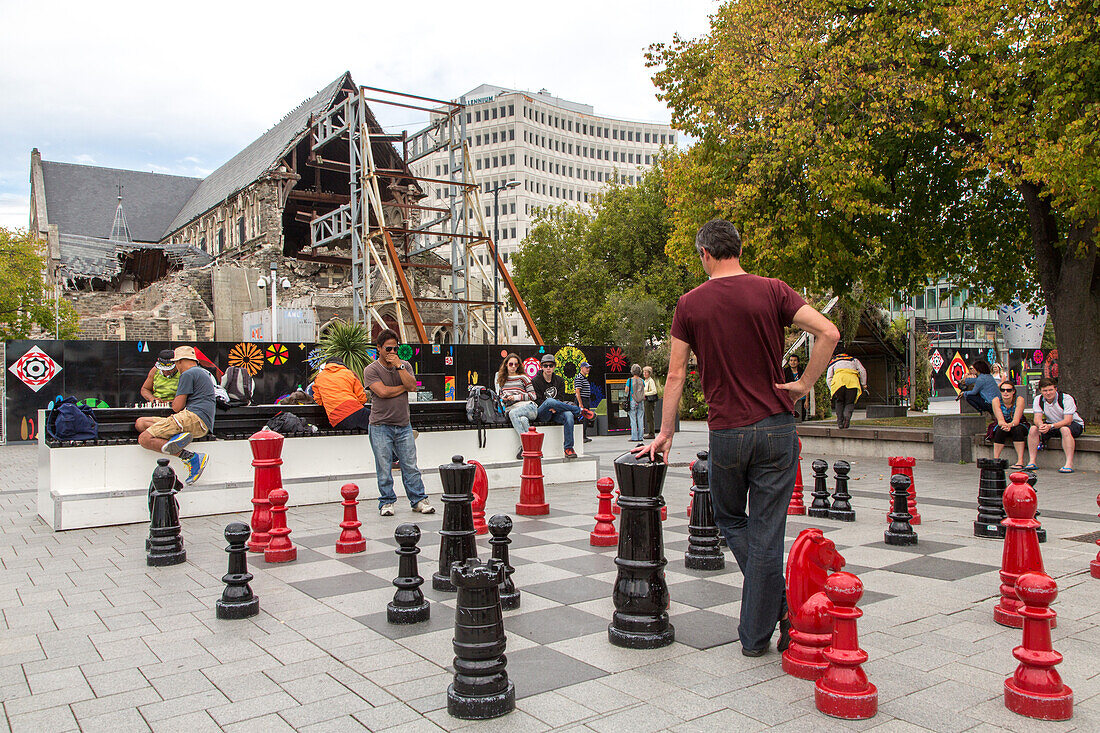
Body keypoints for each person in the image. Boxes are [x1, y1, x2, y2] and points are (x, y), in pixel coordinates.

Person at [636, 219, 839, 657]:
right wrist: (804, 383)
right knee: (768, 532)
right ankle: (775, 616)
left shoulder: (689, 304)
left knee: (731, 520)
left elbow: (674, 375)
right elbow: (829, 332)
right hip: (776, 428)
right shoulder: (774, 289)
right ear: (737, 249)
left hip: (727, 431)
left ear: (705, 254)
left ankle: (759, 631)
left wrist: (665, 433)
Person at [362, 330, 435, 516]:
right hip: (380, 425)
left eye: (395, 348)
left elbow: (412, 386)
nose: (392, 352)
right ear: (379, 348)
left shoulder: (405, 365)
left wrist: (400, 368)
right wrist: (402, 388)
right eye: (388, 348)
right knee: (384, 466)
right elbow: (382, 392)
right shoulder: (371, 370)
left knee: (410, 465)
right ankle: (386, 502)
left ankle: (418, 500)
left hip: (403, 424)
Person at [134, 346, 216, 485]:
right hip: (197, 420)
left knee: (144, 438)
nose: (176, 367)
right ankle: (176, 437)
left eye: (177, 363)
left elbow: (177, 407)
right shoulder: (202, 372)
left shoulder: (188, 374)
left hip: (192, 418)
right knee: (141, 423)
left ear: (180, 361)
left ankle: (191, 457)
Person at [532, 353, 593, 459]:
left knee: (569, 415)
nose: (548, 368)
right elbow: (536, 400)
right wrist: (551, 405)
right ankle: (579, 410)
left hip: (555, 411)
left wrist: (555, 407)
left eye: (551, 365)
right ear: (541, 367)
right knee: (550, 401)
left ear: (554, 367)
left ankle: (568, 448)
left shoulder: (559, 380)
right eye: (545, 366)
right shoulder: (535, 381)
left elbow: (560, 398)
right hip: (543, 413)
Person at [1026, 377, 1085, 473]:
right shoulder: (1038, 399)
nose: (1048, 393)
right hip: (1052, 424)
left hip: (1073, 424)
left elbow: (1068, 420)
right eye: (1045, 391)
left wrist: (1051, 426)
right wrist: (1041, 425)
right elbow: (1037, 418)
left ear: (1055, 389)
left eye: (1050, 390)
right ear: (1040, 391)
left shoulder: (1066, 398)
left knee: (1064, 429)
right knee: (1033, 429)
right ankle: (1032, 461)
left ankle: (1069, 463)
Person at [497, 353, 538, 459]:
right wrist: (505, 399)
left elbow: (533, 396)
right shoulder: (501, 379)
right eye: (511, 364)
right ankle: (532, 447)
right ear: (506, 364)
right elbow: (500, 397)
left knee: (513, 414)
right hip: (512, 409)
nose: (514, 366)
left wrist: (515, 397)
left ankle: (525, 446)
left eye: (516, 364)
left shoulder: (523, 377)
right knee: (523, 420)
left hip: (529, 407)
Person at [313, 356, 370, 430]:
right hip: (354, 410)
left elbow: (319, 400)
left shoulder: (319, 377)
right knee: (383, 421)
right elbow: (362, 398)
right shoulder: (349, 373)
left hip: (336, 420)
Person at [991, 381, 1029, 469]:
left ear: (1013, 391)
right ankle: (996, 459)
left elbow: (1016, 420)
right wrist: (1005, 425)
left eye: (1008, 390)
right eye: (1003, 390)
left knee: (1017, 429)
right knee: (1000, 430)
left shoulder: (1019, 400)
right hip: (1003, 423)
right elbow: (1000, 420)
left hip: (1017, 423)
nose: (1005, 392)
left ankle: (1020, 460)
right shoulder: (996, 400)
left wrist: (1010, 425)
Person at [826, 349, 866, 429]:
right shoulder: (854, 360)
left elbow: (829, 377)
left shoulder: (834, 361)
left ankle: (840, 422)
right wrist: (863, 384)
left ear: (834, 355)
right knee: (850, 402)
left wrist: (832, 389)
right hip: (852, 382)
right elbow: (862, 371)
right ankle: (847, 417)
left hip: (838, 383)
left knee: (839, 401)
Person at [574, 361, 595, 443]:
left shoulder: (584, 378)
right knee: (583, 418)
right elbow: (577, 391)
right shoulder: (579, 377)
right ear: (581, 368)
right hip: (582, 399)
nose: (588, 369)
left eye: (588, 368)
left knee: (586, 418)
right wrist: (580, 403)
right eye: (586, 368)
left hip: (586, 399)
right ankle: (581, 436)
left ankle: (584, 435)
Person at [783, 354, 808, 421]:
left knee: (801, 417)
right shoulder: (785, 372)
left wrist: (807, 400)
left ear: (798, 362)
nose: (793, 362)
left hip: (801, 397)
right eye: (791, 360)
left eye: (795, 360)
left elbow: (806, 386)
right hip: (789, 397)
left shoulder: (802, 372)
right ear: (788, 362)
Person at [627, 364, 645, 442]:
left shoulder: (630, 380)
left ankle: (634, 437)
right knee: (640, 419)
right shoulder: (642, 380)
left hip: (632, 400)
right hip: (640, 401)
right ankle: (641, 436)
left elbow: (626, 390)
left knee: (633, 419)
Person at [642, 365, 659, 439]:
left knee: (650, 417)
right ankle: (650, 432)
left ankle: (651, 433)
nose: (644, 374)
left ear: (649, 373)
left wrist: (645, 394)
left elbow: (654, 391)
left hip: (649, 401)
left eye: (646, 372)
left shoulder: (650, 381)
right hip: (646, 400)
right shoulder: (645, 381)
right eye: (644, 372)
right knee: (648, 417)